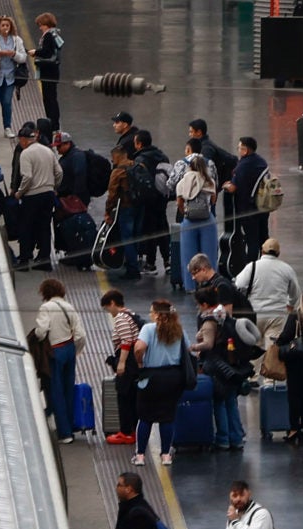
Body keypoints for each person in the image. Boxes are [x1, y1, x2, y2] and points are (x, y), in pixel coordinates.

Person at [189, 287, 246, 451]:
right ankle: (236, 438)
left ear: (205, 304)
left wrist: (192, 347)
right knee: (231, 403)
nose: (198, 307)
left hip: (216, 366)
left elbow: (208, 344)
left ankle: (223, 439)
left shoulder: (208, 321)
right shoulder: (224, 315)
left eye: (198, 304)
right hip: (231, 364)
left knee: (219, 402)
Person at [132, 299, 185, 465]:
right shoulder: (178, 331)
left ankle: (140, 455)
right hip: (173, 377)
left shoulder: (148, 328)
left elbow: (139, 347)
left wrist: (139, 362)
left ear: (157, 314)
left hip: (151, 377)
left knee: (145, 417)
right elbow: (188, 349)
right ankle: (165, 455)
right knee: (167, 417)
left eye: (152, 312)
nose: (150, 315)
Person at [34, 278, 86, 443]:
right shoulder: (69, 306)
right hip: (69, 349)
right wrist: (76, 351)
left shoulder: (46, 308)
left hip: (55, 351)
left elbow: (41, 332)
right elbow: (80, 334)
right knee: (68, 388)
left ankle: (64, 433)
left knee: (56, 391)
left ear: (45, 292)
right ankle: (70, 425)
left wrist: (36, 332)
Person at [234, 238, 298, 364]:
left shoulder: (251, 266)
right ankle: (270, 380)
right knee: (272, 348)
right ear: (278, 253)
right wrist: (289, 305)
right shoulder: (286, 269)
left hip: (255, 313)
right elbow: (295, 293)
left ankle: (252, 378)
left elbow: (238, 285)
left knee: (254, 347)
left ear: (262, 251)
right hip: (277, 315)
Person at [13, 126, 62, 271]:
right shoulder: (48, 150)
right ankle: (45, 260)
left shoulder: (26, 153)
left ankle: (24, 260)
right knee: (44, 227)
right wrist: (54, 187)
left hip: (32, 196)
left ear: (23, 139)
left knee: (26, 227)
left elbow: (27, 177)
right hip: (48, 195)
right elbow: (59, 172)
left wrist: (19, 192)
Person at [101, 290, 141, 444]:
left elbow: (126, 340)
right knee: (133, 396)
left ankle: (126, 432)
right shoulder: (131, 314)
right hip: (135, 362)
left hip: (128, 363)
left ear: (112, 303)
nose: (108, 312)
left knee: (123, 396)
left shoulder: (121, 318)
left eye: (107, 308)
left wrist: (122, 363)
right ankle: (134, 430)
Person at [222, 136, 270, 263]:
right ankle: (267, 263)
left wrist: (226, 185)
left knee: (252, 242)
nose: (238, 150)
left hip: (248, 210)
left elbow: (233, 188)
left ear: (245, 150)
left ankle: (252, 270)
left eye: (239, 148)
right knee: (264, 238)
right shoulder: (261, 162)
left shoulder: (243, 165)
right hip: (263, 206)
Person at [176, 157, 220, 292]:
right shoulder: (210, 181)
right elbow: (213, 201)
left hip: (189, 221)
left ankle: (190, 286)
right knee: (210, 255)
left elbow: (179, 202)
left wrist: (187, 212)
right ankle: (211, 285)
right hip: (207, 220)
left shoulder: (183, 182)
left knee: (188, 256)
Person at [132, 130, 171, 274]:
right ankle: (168, 261)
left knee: (149, 231)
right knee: (163, 229)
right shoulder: (162, 156)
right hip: (162, 198)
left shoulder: (140, 160)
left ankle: (150, 263)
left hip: (148, 201)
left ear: (139, 144)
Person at [277, 288, 303, 441]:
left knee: (295, 397)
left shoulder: (295, 317)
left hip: (296, 364)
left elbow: (283, 339)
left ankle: (294, 428)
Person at [105, 144, 141, 279]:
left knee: (127, 238)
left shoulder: (118, 172)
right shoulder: (138, 166)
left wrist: (108, 212)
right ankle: (135, 262)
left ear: (116, 156)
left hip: (126, 207)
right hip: (140, 206)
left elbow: (112, 195)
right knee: (136, 236)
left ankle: (132, 269)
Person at [28, 13, 63, 130]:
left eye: (41, 25)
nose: (40, 28)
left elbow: (46, 52)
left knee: (49, 99)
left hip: (48, 71)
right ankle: (54, 123)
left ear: (46, 25)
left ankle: (52, 123)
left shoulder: (48, 36)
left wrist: (35, 52)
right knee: (52, 97)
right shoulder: (55, 34)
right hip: (53, 71)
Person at [187, 253, 238, 317]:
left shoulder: (222, 285)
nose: (193, 278)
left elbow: (227, 315)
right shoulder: (205, 286)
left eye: (194, 274)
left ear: (204, 270)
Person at [53, 131, 89, 206]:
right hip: (66, 196)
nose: (57, 149)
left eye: (59, 146)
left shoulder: (77, 156)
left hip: (73, 199)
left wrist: (75, 198)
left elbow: (80, 176)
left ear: (68, 144)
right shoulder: (67, 156)